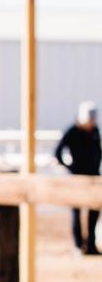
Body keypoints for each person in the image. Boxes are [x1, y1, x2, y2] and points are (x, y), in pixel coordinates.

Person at [55, 101, 101, 255]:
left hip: (93, 177)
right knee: (76, 212)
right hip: (77, 177)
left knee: (94, 211)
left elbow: (98, 150)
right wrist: (70, 167)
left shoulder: (95, 131)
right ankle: (78, 244)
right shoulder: (73, 131)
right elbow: (58, 151)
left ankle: (91, 245)